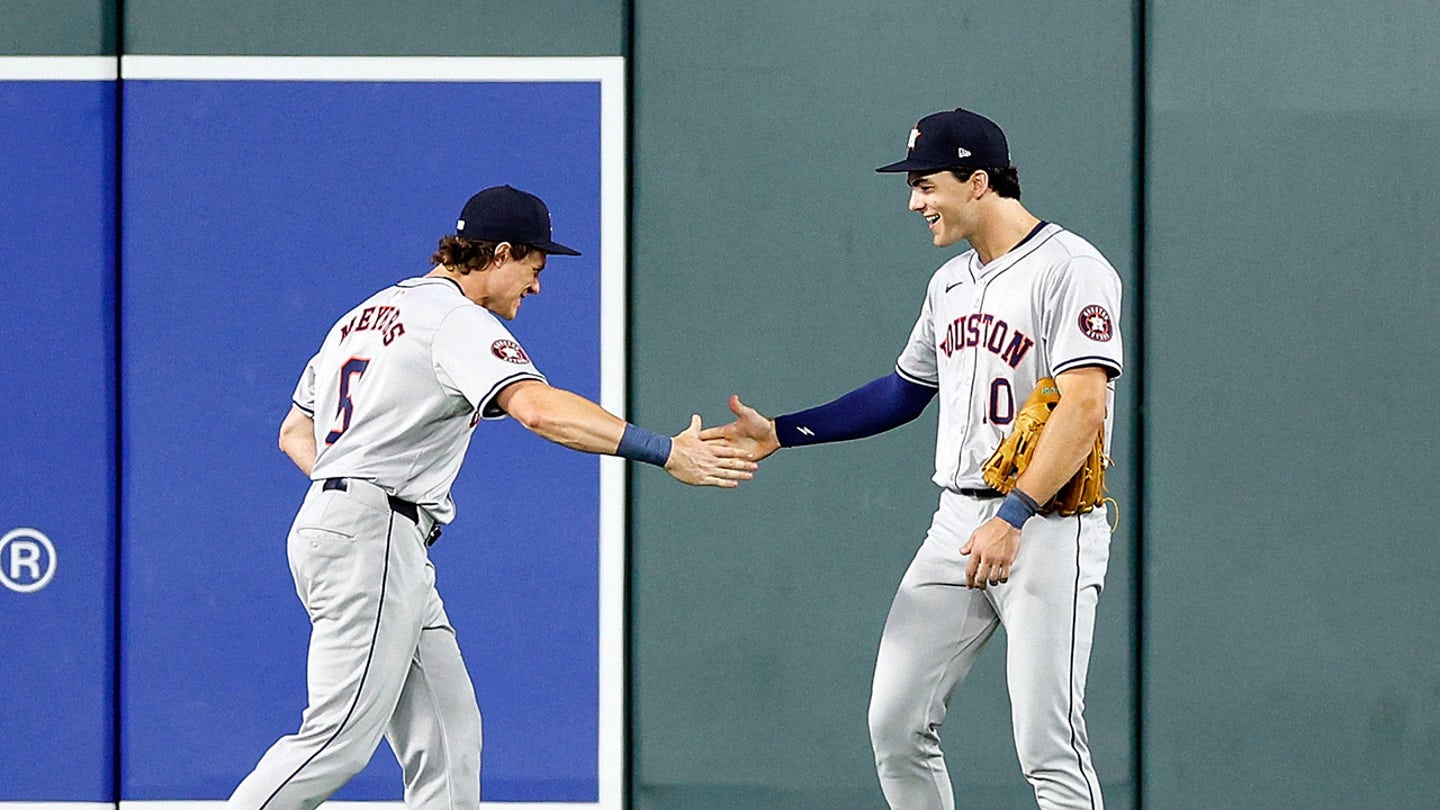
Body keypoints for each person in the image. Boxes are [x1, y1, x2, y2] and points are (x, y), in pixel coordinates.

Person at [228, 184, 757, 809]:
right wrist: (665, 450)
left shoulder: (363, 315)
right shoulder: (457, 320)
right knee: (337, 739)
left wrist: (345, 495)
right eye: (533, 268)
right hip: (371, 532)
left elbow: (295, 433)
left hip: (352, 523)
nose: (535, 287)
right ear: (500, 253)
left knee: (449, 736)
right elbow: (536, 409)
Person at [701, 108, 1123, 810]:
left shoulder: (1070, 269)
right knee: (895, 723)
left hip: (1046, 526)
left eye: (926, 185)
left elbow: (1084, 408)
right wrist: (784, 430)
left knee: (1048, 744)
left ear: (978, 181)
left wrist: (1015, 514)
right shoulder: (950, 283)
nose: (914, 202)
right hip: (957, 523)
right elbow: (903, 392)